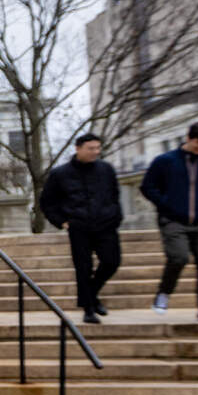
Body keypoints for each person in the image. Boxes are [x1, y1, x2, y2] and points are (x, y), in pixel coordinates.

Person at [139, 120, 198, 323]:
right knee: (178, 257)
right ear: (188, 138)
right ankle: (163, 293)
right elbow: (147, 187)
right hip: (173, 220)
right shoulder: (165, 160)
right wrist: (165, 204)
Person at [39, 133, 123, 325]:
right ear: (78, 148)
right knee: (83, 268)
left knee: (112, 262)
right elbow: (47, 202)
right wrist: (61, 222)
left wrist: (115, 217)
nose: (95, 152)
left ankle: (91, 295)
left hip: (106, 225)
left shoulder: (106, 169)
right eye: (91, 148)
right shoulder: (60, 173)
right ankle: (89, 309)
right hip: (79, 227)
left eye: (97, 148)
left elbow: (114, 195)